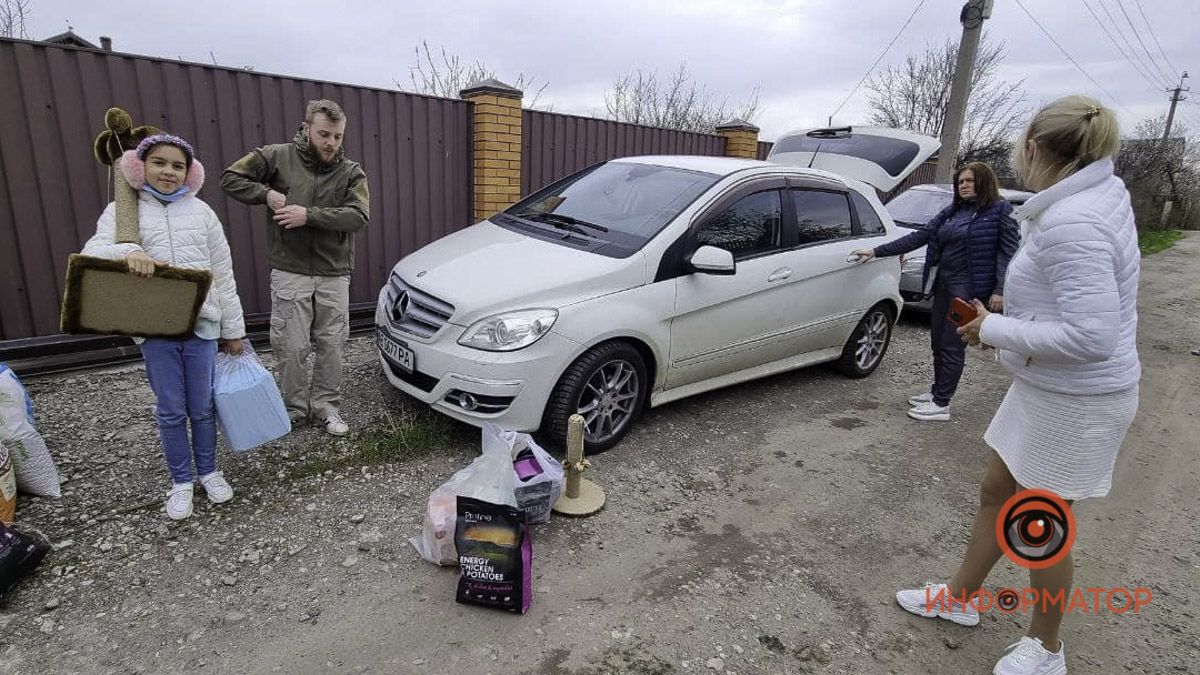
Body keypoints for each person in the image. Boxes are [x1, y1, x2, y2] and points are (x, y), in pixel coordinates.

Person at [895, 95, 1141, 674]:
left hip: (1079, 399)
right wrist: (1009, 320)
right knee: (996, 490)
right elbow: (1074, 299)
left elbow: (1093, 335)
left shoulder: (1074, 220)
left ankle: (1048, 649)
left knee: (1039, 522)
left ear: (1033, 149)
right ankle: (959, 598)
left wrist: (996, 328)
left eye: (1019, 153)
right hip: (1046, 386)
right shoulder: (1093, 194)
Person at [82, 134, 246, 520]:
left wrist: (233, 329)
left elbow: (223, 274)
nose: (168, 171)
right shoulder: (123, 212)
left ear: (190, 173)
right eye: (159, 162)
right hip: (155, 327)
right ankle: (181, 481)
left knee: (203, 407)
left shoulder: (202, 213)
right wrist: (129, 251)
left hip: (202, 325)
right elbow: (92, 253)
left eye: (177, 165)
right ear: (141, 167)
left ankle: (209, 471)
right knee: (171, 409)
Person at [220, 100, 370, 436]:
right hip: (290, 270)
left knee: (332, 344)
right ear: (306, 128)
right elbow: (230, 179)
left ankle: (327, 407)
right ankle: (294, 409)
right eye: (323, 134)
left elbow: (359, 216)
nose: (331, 142)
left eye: (337, 135)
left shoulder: (351, 172)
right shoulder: (275, 156)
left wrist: (309, 215)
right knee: (291, 345)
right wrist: (265, 193)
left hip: (334, 273)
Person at [853, 161, 1019, 421]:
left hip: (968, 291)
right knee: (938, 343)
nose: (964, 186)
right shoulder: (953, 211)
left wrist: (1000, 291)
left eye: (970, 181)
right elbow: (920, 237)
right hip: (944, 284)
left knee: (952, 345)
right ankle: (936, 393)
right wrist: (876, 251)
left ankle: (942, 404)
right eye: (961, 182)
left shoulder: (999, 210)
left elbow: (1007, 253)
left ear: (984, 182)